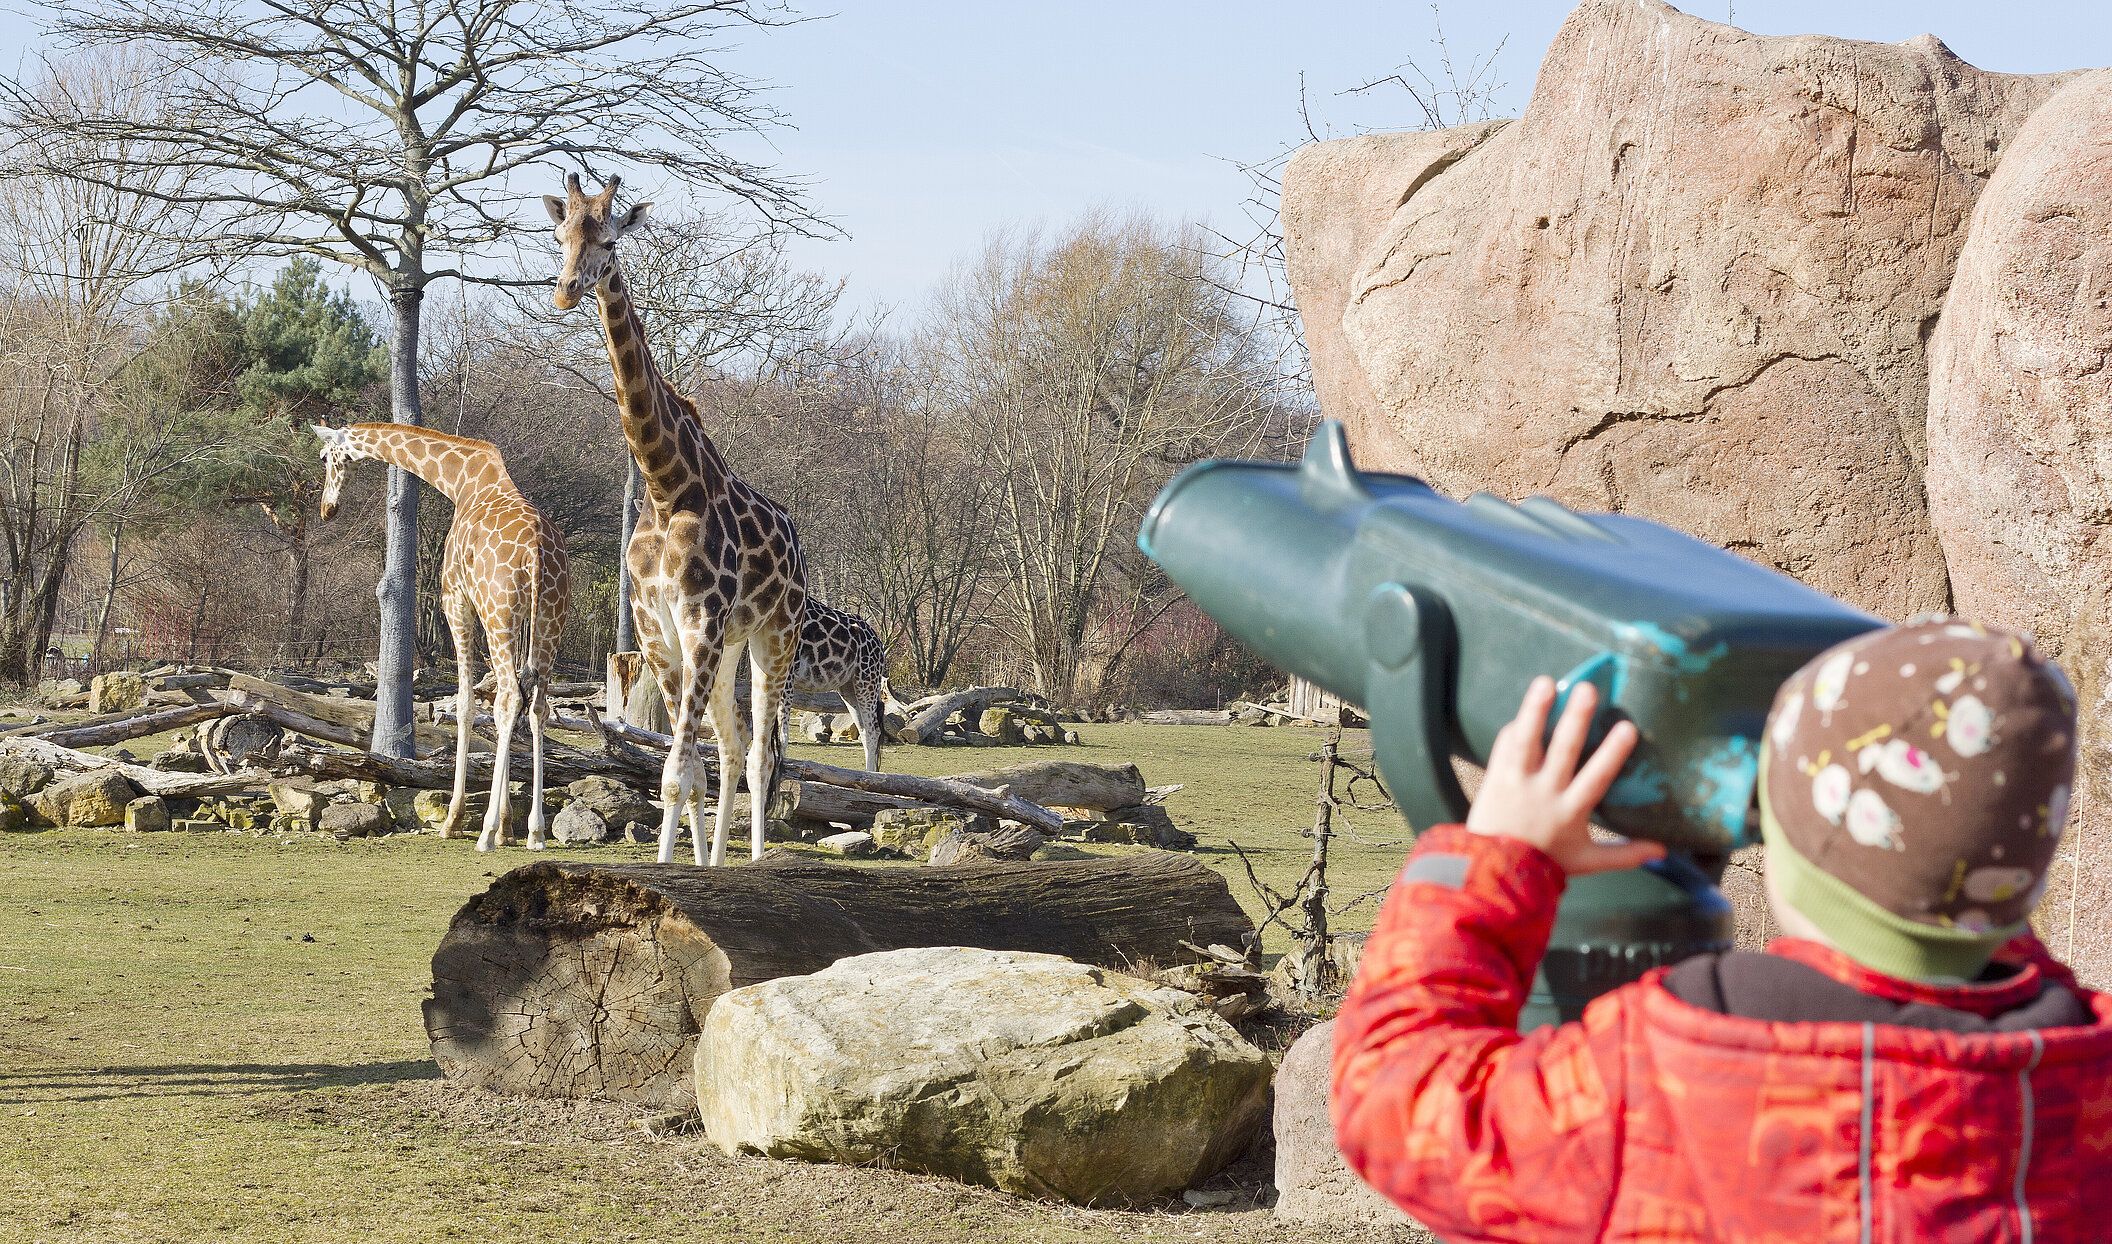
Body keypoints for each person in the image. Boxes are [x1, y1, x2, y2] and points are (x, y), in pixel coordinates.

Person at [1331, 618, 2112, 1241]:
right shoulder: (2086, 1083)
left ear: (1783, 825)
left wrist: (1495, 862)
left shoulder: (1662, 1075)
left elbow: (1399, 1102)